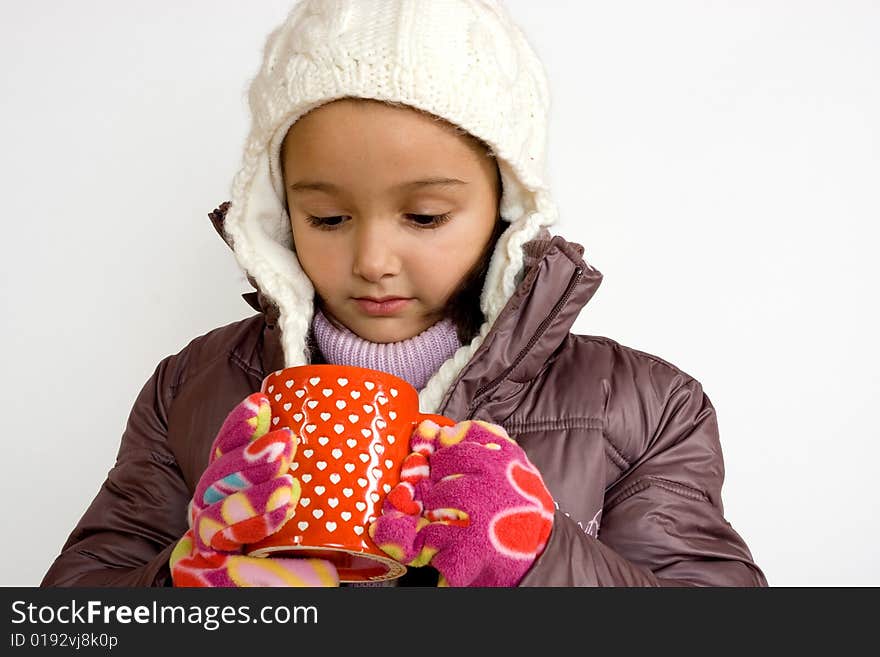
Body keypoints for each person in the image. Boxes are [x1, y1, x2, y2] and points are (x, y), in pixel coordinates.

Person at [42, 0, 767, 587]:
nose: (372, 260)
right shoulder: (188, 391)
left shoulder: (647, 407)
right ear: (278, 213)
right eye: (327, 217)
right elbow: (63, 628)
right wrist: (183, 583)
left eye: (424, 216)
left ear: (506, 211)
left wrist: (540, 559)